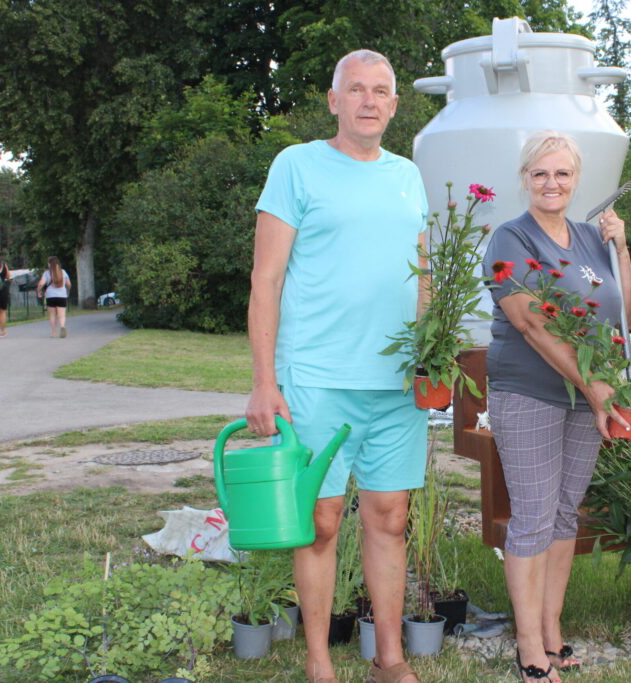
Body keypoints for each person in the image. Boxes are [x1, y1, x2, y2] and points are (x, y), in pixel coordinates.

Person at [245, 49, 428, 683]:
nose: (369, 101)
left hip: (397, 384)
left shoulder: (409, 176)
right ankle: (319, 661)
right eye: (356, 90)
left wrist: (428, 356)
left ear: (395, 106)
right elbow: (265, 280)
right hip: (317, 378)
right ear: (333, 100)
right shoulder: (296, 166)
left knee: (390, 517)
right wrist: (264, 384)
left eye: (381, 91)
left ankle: (390, 658)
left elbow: (424, 275)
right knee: (319, 522)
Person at [482, 130, 631, 683]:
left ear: (577, 179)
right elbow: (531, 322)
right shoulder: (511, 238)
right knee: (533, 514)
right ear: (525, 178)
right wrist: (595, 386)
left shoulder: (591, 237)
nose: (552, 183)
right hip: (528, 392)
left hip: (585, 395)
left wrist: (620, 247)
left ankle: (551, 626)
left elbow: (628, 314)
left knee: (565, 511)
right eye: (541, 173)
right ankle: (526, 640)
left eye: (563, 174)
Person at [36, 256, 72, 338]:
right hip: (62, 296)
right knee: (61, 315)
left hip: (50, 296)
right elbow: (69, 284)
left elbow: (41, 284)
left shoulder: (47, 273)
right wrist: (68, 290)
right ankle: (62, 327)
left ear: (49, 264)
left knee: (52, 315)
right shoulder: (63, 272)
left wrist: (38, 291)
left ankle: (54, 333)